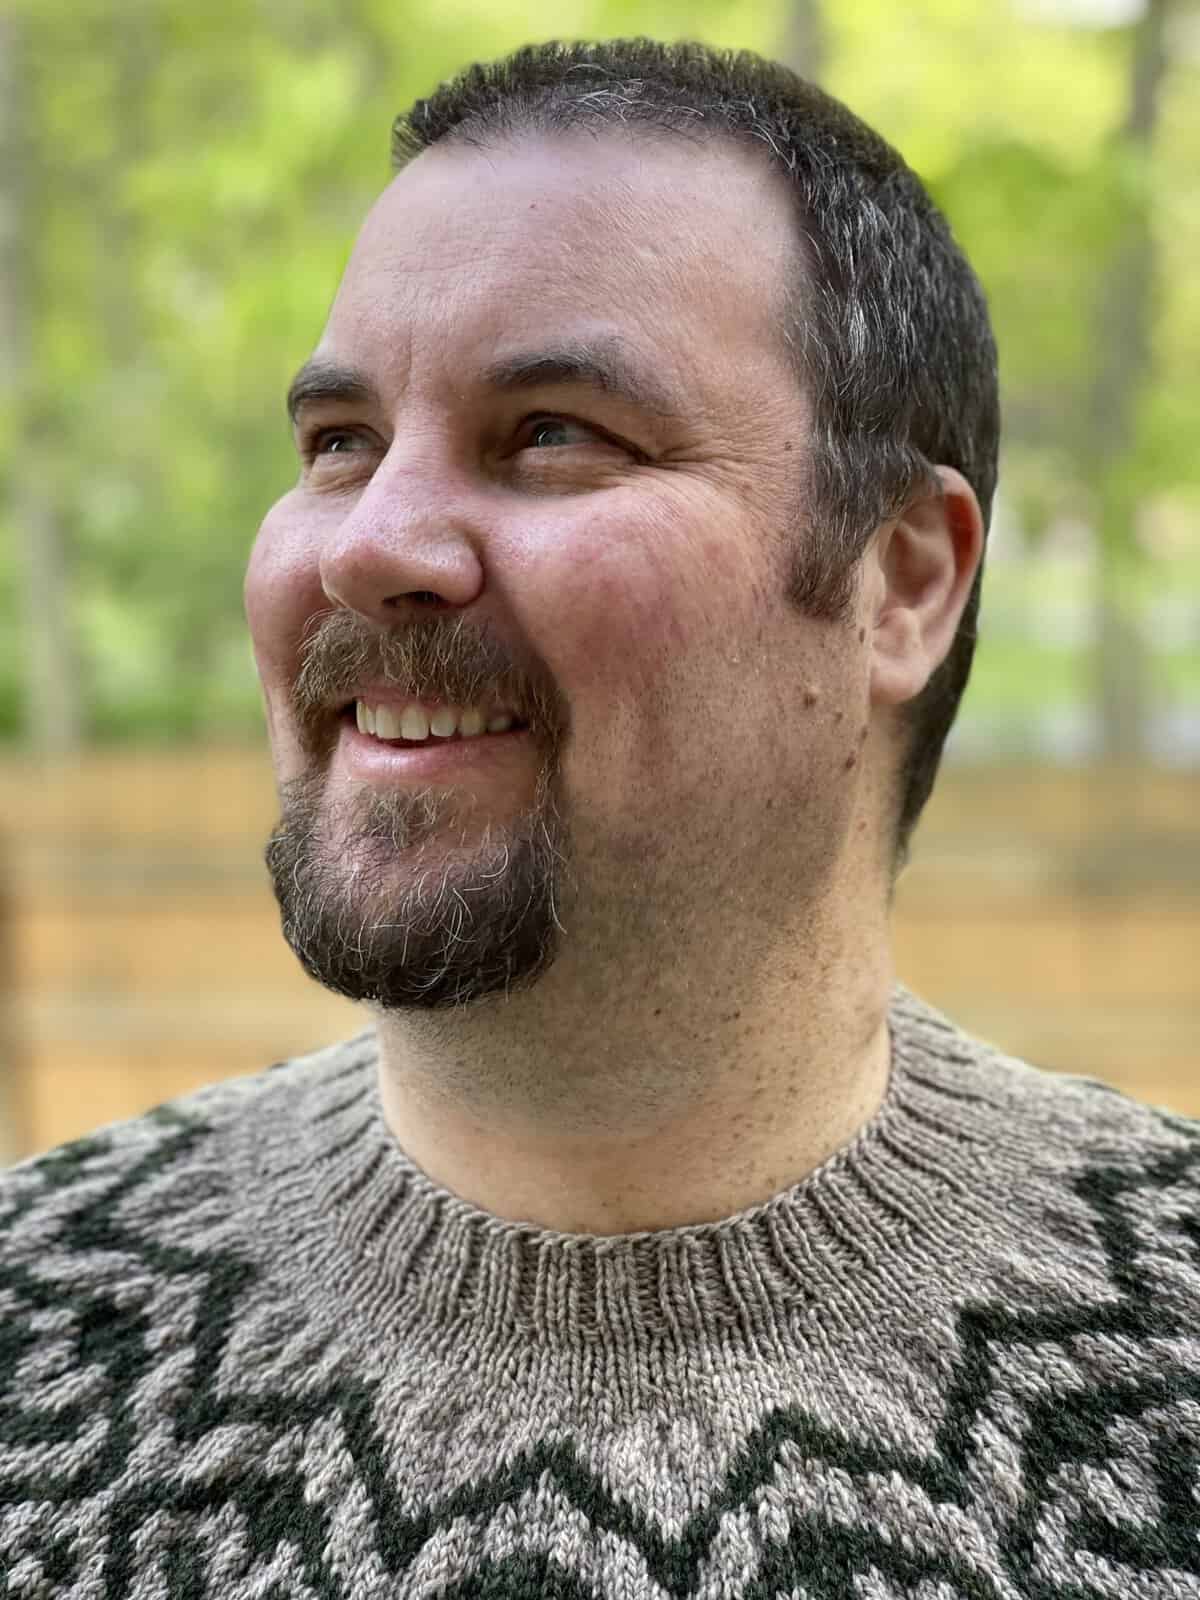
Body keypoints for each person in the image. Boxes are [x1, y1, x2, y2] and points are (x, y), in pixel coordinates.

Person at [2, 38, 1196, 1598]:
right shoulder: (36, 1327)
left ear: (902, 581)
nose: (371, 545)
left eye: (554, 432)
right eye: (339, 443)